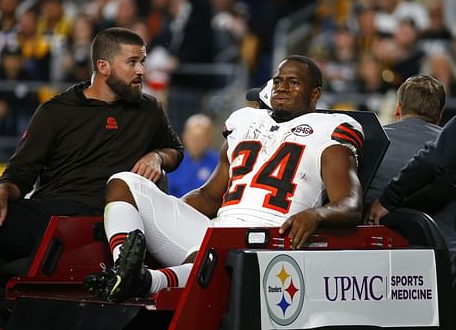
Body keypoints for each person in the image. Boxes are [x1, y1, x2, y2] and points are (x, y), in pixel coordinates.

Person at [84, 55, 365, 302]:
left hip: (266, 238)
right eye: (278, 80)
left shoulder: (330, 130)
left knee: (212, 255)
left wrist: (316, 215)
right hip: (217, 227)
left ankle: (146, 282)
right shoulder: (245, 121)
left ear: (315, 93)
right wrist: (169, 213)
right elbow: (209, 196)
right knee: (124, 183)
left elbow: (350, 203)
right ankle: (124, 267)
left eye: (293, 82)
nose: (282, 87)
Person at [0, 27, 183, 294]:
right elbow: (21, 172)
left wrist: (157, 156)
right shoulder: (56, 111)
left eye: (142, 61)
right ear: (104, 66)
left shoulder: (150, 109)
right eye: (132, 62)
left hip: (100, 220)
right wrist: (0, 194)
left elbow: (175, 150)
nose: (142, 71)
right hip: (52, 212)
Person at [366, 116, 456, 288]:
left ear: (398, 109)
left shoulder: (373, 142)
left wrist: (388, 199)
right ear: (438, 115)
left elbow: (433, 161)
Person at [364, 75, 445, 205]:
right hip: (434, 224)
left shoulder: (370, 138)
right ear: (439, 115)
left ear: (397, 109)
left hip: (372, 222)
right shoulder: (448, 145)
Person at [167, 114, 219, 197]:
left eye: (201, 138)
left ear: (210, 139)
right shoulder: (175, 161)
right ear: (184, 137)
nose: (196, 143)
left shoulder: (219, 163)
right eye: (193, 137)